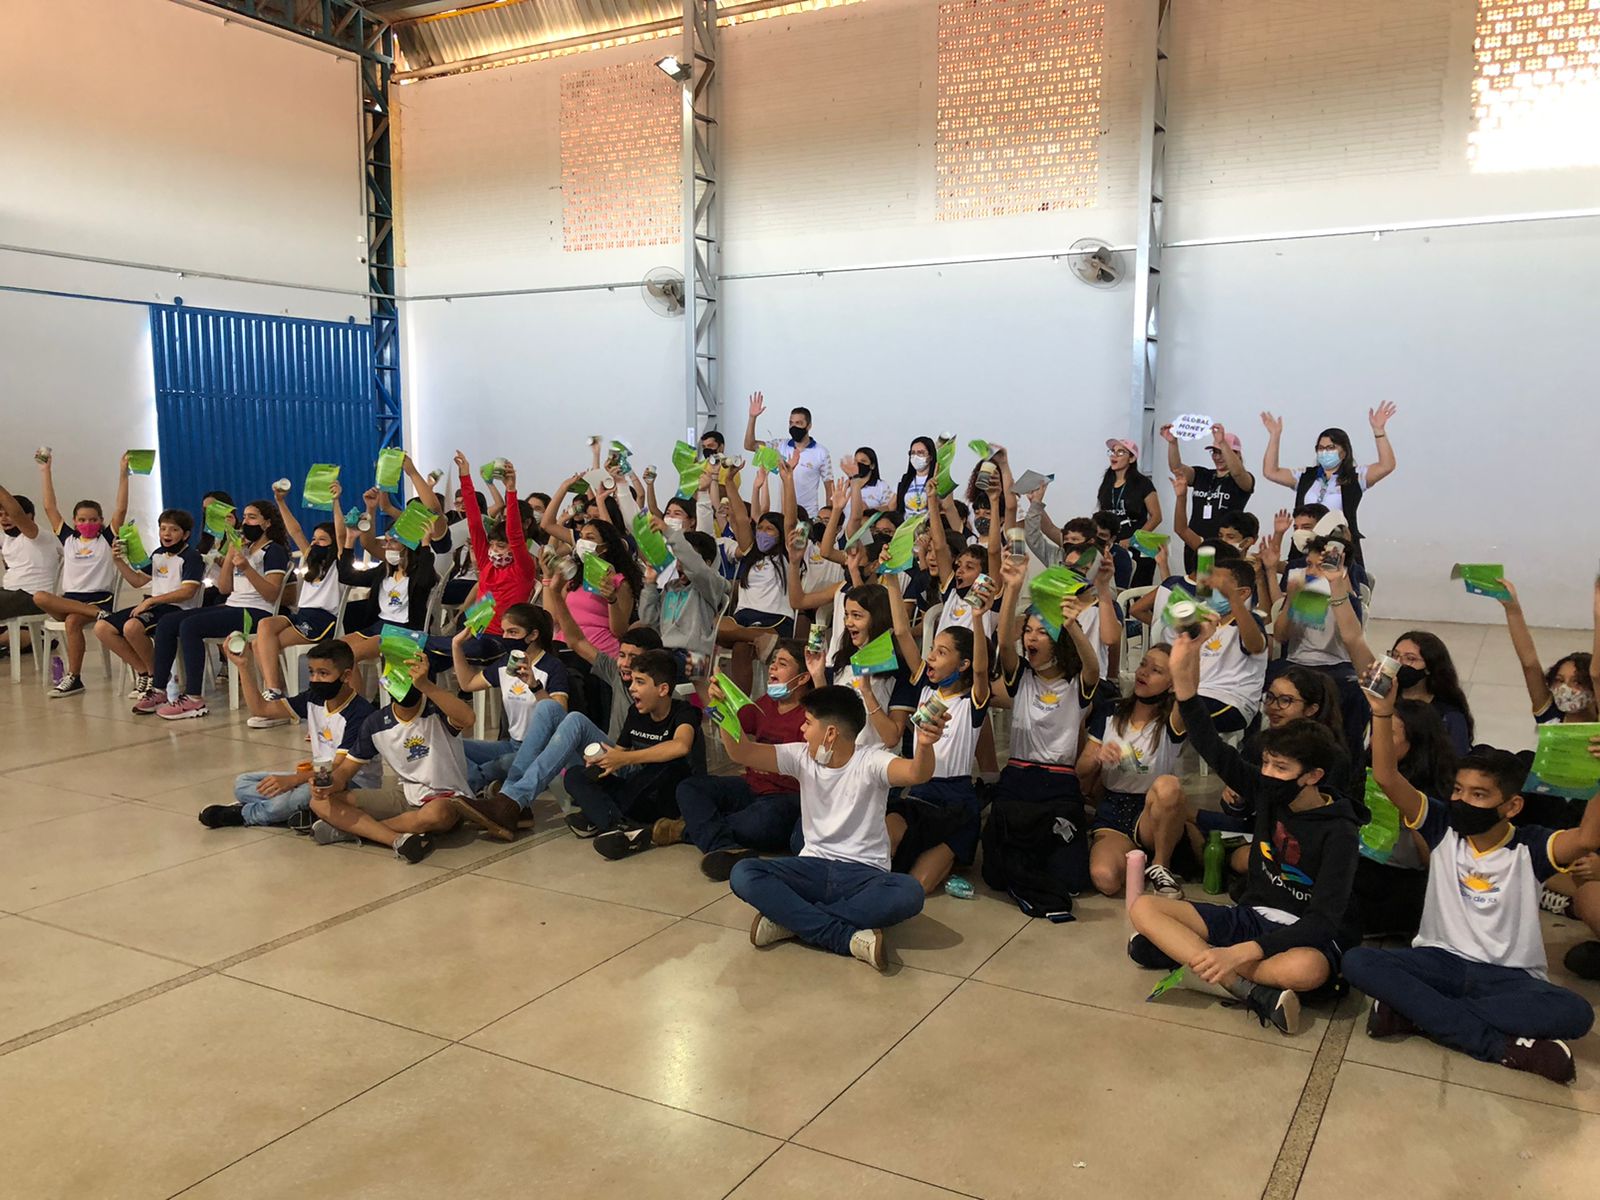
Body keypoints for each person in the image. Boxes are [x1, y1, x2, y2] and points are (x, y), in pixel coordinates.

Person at [1343, 688, 1600, 1085]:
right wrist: (1381, 712)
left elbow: (1586, 838)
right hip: (1439, 962)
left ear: (1511, 806)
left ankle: (1416, 1014)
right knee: (1359, 962)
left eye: (1479, 795)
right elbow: (1386, 776)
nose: (1463, 800)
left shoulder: (1530, 846)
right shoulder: (1441, 825)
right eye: (1458, 790)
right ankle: (1500, 1046)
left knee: (1576, 1014)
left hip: (1508, 976)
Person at [1130, 624, 1365, 1036]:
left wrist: (1241, 952)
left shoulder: (1341, 831)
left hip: (1298, 934)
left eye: (1281, 767)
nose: (1268, 773)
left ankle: (1203, 963)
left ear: (1313, 776)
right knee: (1143, 909)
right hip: (1250, 917)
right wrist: (1185, 685)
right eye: (1267, 763)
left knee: (1307, 968)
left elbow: (1323, 922)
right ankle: (1247, 988)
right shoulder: (1268, 788)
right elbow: (1213, 748)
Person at [726, 685, 944, 971]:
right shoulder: (801, 757)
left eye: (807, 723)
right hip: (811, 867)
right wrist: (722, 711)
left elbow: (917, 773)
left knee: (909, 892)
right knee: (744, 872)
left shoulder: (871, 761)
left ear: (830, 733)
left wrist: (924, 745)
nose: (802, 730)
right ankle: (844, 937)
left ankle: (791, 921)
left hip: (863, 875)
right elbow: (741, 751)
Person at [451, 575, 663, 841]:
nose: (625, 663)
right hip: (604, 752)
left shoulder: (663, 692)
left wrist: (625, 758)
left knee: (567, 720)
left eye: (634, 658)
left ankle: (505, 800)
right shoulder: (615, 672)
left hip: (628, 764)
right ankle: (508, 802)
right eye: (622, 655)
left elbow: (674, 748)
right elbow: (576, 642)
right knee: (456, 740)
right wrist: (557, 594)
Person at [308, 656, 473, 864]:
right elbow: (346, 771)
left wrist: (426, 686)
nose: (405, 682)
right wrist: (328, 784)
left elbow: (468, 718)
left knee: (436, 815)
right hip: (405, 795)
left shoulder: (437, 708)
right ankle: (395, 839)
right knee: (319, 802)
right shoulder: (375, 723)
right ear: (385, 682)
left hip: (446, 798)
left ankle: (353, 830)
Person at [135, 499, 290, 720]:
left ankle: (194, 698)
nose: (246, 522)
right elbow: (225, 588)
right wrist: (231, 555)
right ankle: (159, 690)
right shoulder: (244, 549)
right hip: (232, 605)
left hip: (257, 612)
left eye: (252, 517)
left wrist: (246, 568)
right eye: (244, 517)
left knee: (190, 626)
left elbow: (272, 594)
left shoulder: (273, 551)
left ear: (267, 523)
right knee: (168, 621)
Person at [201, 638, 377, 828]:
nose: (315, 679)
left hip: (350, 783)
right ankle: (297, 812)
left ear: (346, 676)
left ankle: (246, 814)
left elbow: (338, 768)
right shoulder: (313, 698)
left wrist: (293, 780)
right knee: (242, 783)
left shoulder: (360, 714)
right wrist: (243, 666)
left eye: (323, 673)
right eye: (311, 672)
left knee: (300, 795)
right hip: (316, 776)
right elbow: (261, 709)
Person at [674, 642, 812, 881]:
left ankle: (690, 830)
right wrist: (707, 688)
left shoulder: (811, 715)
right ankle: (723, 847)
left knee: (759, 822)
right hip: (751, 785)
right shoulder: (766, 702)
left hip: (787, 797)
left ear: (802, 678)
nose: (772, 668)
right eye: (772, 662)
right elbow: (730, 723)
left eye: (782, 664)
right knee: (689, 787)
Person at [886, 583, 990, 895]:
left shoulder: (972, 701)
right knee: (882, 849)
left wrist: (977, 618)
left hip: (956, 803)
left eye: (941, 653)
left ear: (963, 664)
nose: (930, 657)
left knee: (917, 886)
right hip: (919, 794)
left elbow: (982, 671)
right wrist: (892, 582)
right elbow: (902, 632)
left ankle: (949, 854)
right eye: (932, 649)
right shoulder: (925, 689)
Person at [565, 648, 704, 860]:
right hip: (637, 793)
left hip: (670, 798)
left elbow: (681, 746)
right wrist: (602, 761)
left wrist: (625, 758)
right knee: (575, 775)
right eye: (632, 681)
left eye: (640, 682)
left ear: (662, 689)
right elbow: (619, 753)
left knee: (666, 765)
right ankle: (621, 827)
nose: (632, 688)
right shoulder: (635, 713)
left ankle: (598, 816)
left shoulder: (684, 711)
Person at [1079, 644, 1189, 899]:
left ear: (1172, 684)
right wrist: (1097, 755)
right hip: (1113, 808)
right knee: (1105, 878)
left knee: (1168, 785)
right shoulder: (1111, 711)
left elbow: (1189, 688)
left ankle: (1161, 864)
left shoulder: (1172, 720)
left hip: (1152, 810)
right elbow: (1081, 770)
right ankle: (1138, 858)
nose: (1144, 672)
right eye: (1143, 664)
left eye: (1156, 670)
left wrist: (1189, 650)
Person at [1350, 699, 1457, 939]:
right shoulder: (1363, 770)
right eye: (1375, 731)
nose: (1377, 740)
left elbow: (1436, 864)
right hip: (1359, 862)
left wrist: (1411, 818)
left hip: (1401, 880)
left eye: (1388, 734)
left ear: (1416, 742)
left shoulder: (1435, 793)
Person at [30, 451, 127, 696]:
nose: (88, 523)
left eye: (93, 519)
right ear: (75, 521)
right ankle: (96, 615)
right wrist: (45, 471)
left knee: (72, 620)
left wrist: (123, 473)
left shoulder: (106, 539)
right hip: (71, 600)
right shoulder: (68, 539)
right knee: (40, 596)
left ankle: (74, 677)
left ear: (101, 521)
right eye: (82, 519)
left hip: (99, 598)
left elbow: (121, 508)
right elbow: (49, 507)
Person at [449, 603, 569, 797]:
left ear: (533, 635)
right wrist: (456, 646)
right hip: (513, 744)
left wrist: (535, 687)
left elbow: (559, 714)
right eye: (504, 632)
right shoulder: (506, 664)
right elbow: (468, 684)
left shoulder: (552, 667)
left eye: (513, 632)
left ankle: (471, 789)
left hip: (543, 749)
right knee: (452, 745)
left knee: (503, 763)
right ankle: (487, 787)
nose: (505, 637)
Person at [247, 479, 346, 702]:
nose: (315, 543)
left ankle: (275, 692)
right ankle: (276, 689)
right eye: (314, 539)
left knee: (259, 644)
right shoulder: (311, 560)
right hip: (301, 614)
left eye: (322, 540)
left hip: (322, 620)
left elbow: (341, 535)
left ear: (332, 544)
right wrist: (280, 502)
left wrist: (336, 502)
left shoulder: (339, 564)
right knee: (265, 626)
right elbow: (295, 531)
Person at [1259, 403, 1397, 562]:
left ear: (1344, 452)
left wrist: (1379, 431)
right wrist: (1274, 435)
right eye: (1321, 448)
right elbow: (1271, 472)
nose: (1325, 452)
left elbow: (1387, 465)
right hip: (1305, 546)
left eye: (1331, 447)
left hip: (1339, 548)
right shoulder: (1305, 476)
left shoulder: (1356, 477)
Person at [95, 509, 205, 695]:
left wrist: (152, 600)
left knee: (132, 627)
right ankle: (143, 671)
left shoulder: (191, 557)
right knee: (102, 627)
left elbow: (187, 592)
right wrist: (119, 561)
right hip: (155, 606)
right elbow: (137, 581)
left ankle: (156, 675)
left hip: (177, 609)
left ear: (185, 535)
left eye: (173, 530)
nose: (167, 534)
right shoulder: (158, 554)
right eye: (163, 528)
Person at [1162, 421, 1253, 572]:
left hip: (1224, 548)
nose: (1217, 457)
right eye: (1214, 452)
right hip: (1194, 542)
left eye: (1221, 452)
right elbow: (1177, 469)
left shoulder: (1242, 479)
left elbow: (1238, 472)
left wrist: (1222, 442)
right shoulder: (1203, 474)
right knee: (1195, 582)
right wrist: (1172, 443)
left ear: (1236, 454)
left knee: (1217, 584)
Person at [0, 483, 63, 656]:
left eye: (8, 514)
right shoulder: (7, 539)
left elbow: (17, 514)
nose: (4, 519)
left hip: (34, 599)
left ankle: (36, 639)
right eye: (1, 515)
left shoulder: (38, 536)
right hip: (12, 600)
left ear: (29, 517)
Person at [743, 390, 830, 516]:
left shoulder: (821, 452)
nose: (794, 427)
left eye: (798, 423)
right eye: (791, 423)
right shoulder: (780, 445)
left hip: (809, 515)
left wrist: (830, 518)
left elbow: (829, 488)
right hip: (783, 514)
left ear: (809, 426)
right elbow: (749, 445)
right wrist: (752, 418)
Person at [1098, 439, 1161, 586]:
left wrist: (1133, 539)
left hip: (1139, 545)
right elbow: (1102, 516)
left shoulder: (1143, 483)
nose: (1114, 455)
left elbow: (1156, 517)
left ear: (1131, 458)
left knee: (1138, 587)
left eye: (1121, 452)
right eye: (1113, 451)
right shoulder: (1107, 483)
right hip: (1112, 544)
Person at [894, 435, 938, 520]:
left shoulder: (936, 480)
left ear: (930, 456)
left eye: (920, 453)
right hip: (906, 525)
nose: (916, 456)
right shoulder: (905, 480)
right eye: (913, 453)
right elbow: (891, 506)